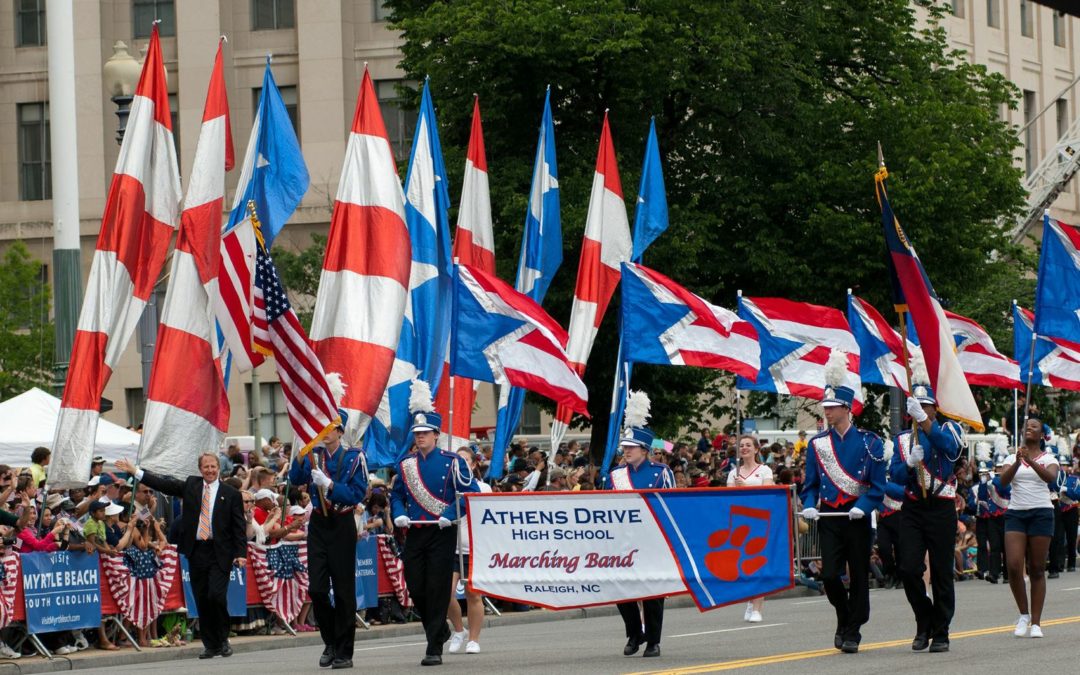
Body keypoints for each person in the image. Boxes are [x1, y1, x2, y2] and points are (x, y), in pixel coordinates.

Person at [115, 454, 246, 659]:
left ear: (219, 468)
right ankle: (210, 645)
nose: (210, 470)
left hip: (220, 552)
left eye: (213, 466)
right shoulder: (191, 485)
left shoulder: (230, 493)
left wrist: (240, 553)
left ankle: (223, 640)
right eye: (206, 467)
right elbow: (164, 485)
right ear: (200, 469)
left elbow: (238, 526)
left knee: (216, 596)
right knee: (202, 598)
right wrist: (136, 472)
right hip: (196, 551)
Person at [799, 364, 885, 655]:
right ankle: (844, 614)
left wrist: (863, 507)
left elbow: (877, 487)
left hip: (856, 517)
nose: (827, 411)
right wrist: (809, 505)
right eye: (825, 406)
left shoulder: (869, 442)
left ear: (846, 408)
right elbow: (809, 485)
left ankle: (854, 629)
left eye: (832, 407)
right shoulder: (817, 444)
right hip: (830, 517)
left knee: (859, 573)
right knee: (831, 575)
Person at [390, 380, 477, 666]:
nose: (420, 437)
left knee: (438, 588)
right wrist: (398, 513)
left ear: (437, 435)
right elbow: (398, 496)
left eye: (425, 433)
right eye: (417, 433)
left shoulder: (453, 462)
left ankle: (433, 648)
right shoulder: (405, 465)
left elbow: (469, 495)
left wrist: (449, 515)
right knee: (415, 586)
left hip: (442, 532)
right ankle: (439, 629)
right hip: (415, 531)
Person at [289, 410, 368, 671]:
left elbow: (357, 494)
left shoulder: (355, 458)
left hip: (342, 524)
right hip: (319, 526)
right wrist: (301, 451)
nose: (323, 432)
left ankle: (345, 650)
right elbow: (295, 479)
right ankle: (330, 641)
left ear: (339, 432)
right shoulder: (314, 454)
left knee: (344, 591)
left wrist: (331, 485)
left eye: (328, 428)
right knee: (318, 589)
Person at [889, 383, 964, 653]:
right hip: (913, 508)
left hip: (941, 508)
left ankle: (941, 631)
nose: (920, 411)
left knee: (942, 572)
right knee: (908, 568)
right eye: (916, 407)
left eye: (925, 406)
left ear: (934, 408)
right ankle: (924, 619)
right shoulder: (901, 439)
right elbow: (894, 475)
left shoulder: (949, 429)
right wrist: (908, 463)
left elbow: (952, 450)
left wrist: (925, 422)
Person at [607, 391, 674, 659]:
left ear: (644, 450)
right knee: (622, 589)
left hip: (653, 539)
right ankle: (635, 632)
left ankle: (653, 641)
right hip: (623, 540)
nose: (626, 451)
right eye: (624, 447)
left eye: (631, 448)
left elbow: (671, 506)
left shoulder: (661, 472)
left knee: (653, 594)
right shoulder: (615, 475)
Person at [999, 417, 1059, 638]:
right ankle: (1023, 614)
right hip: (1016, 513)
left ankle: (1036, 623)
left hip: (1041, 514)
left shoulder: (1049, 458)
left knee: (1036, 568)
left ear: (1042, 435)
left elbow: (1050, 478)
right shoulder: (1010, 457)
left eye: (1035, 427)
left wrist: (1031, 461)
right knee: (1014, 565)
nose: (1030, 429)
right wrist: (1017, 461)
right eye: (1027, 427)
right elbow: (1003, 482)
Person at [447, 447, 492, 655]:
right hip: (450, 547)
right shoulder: (448, 486)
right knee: (444, 594)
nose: (461, 463)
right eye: (457, 460)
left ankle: (474, 639)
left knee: (473, 595)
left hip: (473, 548)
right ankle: (459, 630)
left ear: (473, 464)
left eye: (465, 460)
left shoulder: (482, 488)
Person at [727, 435, 774, 622]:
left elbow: (768, 494)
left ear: (756, 449)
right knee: (743, 567)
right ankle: (750, 598)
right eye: (741, 446)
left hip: (761, 522)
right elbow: (730, 500)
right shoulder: (733, 473)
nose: (744, 448)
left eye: (748, 445)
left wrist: (746, 487)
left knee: (757, 564)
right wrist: (736, 488)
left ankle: (757, 608)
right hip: (740, 525)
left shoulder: (765, 471)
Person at [969, 460, 1010, 584]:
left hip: (1005, 516)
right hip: (992, 517)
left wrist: (993, 479)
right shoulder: (983, 483)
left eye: (985, 473)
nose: (983, 475)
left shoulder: (1001, 480)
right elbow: (982, 497)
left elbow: (1006, 490)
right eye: (981, 473)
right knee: (995, 546)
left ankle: (1008, 575)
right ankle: (994, 574)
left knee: (1005, 547)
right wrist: (983, 483)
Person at [1053, 463, 1080, 573]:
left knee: (1071, 538)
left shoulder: (1074, 479)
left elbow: (1077, 495)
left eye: (1065, 465)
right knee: (1058, 538)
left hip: (1071, 510)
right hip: (1059, 510)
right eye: (1061, 465)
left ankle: (1071, 564)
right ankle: (1059, 563)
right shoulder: (1054, 479)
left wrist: (1067, 490)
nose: (1063, 468)